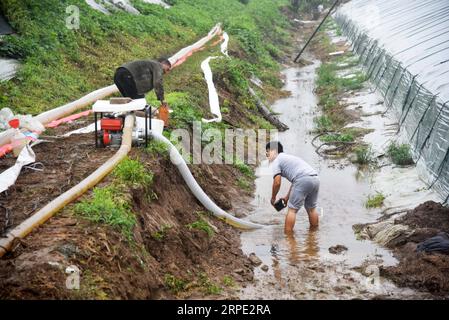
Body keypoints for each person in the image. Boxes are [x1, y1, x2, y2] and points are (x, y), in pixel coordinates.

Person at [266, 141, 320, 234]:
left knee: (292, 210)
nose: (266, 154)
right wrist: (286, 198)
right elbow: (295, 181)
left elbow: (277, 182)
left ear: (274, 151)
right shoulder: (289, 158)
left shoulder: (277, 160)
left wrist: (273, 197)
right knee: (311, 208)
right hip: (315, 179)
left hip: (303, 179)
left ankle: (288, 237)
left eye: (268, 151)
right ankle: (314, 235)